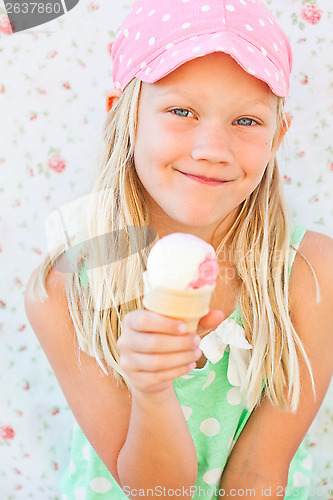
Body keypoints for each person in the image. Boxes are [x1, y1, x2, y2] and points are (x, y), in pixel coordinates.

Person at [24, 0, 333, 498]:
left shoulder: (312, 271)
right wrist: (151, 391)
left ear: (278, 136)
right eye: (181, 111)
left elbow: (258, 473)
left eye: (247, 121)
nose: (212, 147)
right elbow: (156, 491)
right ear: (124, 117)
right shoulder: (67, 286)